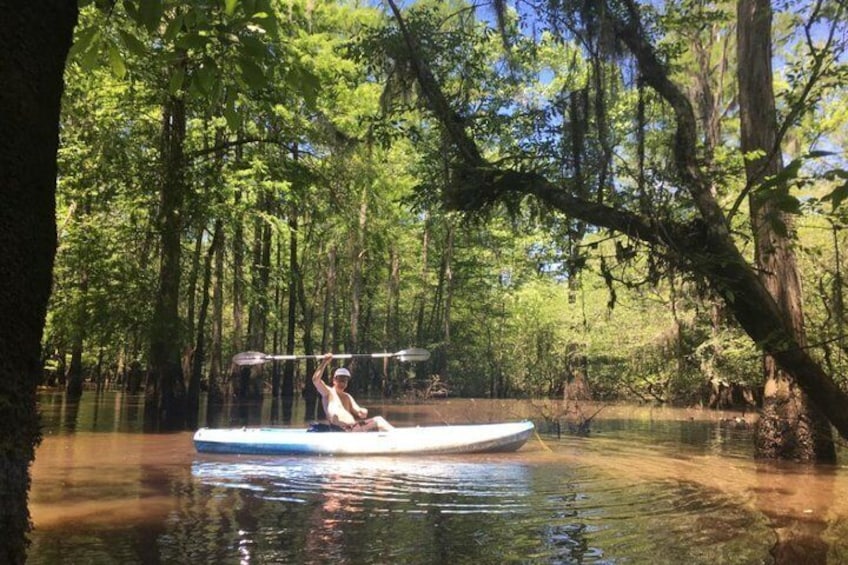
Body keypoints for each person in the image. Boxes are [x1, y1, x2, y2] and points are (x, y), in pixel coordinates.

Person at [312, 353, 394, 432]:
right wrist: (324, 362)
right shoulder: (328, 392)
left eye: (345, 381)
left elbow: (358, 411)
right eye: (340, 380)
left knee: (378, 420)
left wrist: (362, 412)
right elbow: (316, 380)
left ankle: (395, 435)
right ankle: (398, 436)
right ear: (334, 380)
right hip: (341, 430)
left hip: (352, 428)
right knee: (378, 420)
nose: (342, 383)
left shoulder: (347, 396)